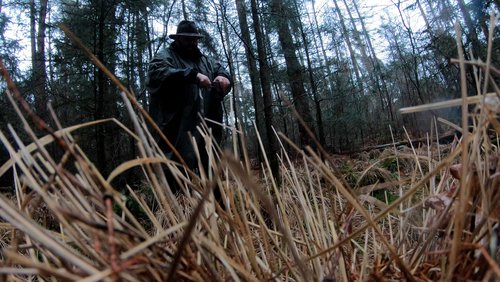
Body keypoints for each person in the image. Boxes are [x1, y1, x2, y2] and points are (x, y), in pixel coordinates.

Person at [145, 20, 232, 190]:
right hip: (176, 130)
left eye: (194, 40)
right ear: (178, 39)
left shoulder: (205, 61)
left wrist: (224, 77)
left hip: (206, 130)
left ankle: (217, 211)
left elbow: (220, 70)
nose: (191, 43)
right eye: (186, 39)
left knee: (212, 175)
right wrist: (192, 75)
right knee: (175, 177)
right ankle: (177, 212)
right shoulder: (165, 57)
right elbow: (158, 74)